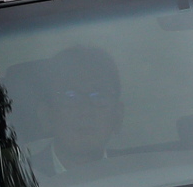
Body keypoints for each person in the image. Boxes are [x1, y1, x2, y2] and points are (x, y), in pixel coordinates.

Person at [30, 44, 123, 177]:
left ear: (118, 116)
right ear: (46, 115)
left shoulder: (141, 177)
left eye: (99, 96)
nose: (85, 111)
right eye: (70, 97)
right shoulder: (14, 182)